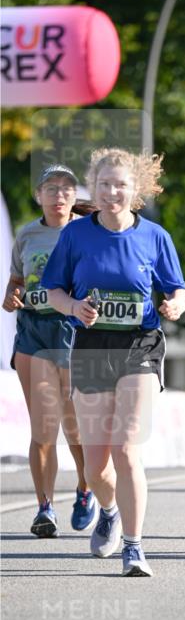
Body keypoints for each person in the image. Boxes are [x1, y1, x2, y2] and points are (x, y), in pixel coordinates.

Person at [42, 148, 185, 576]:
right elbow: (53, 291)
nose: (111, 192)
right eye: (103, 184)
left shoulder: (155, 237)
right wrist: (74, 308)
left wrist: (175, 305)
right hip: (91, 346)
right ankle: (109, 511)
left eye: (120, 184)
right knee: (95, 467)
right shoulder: (76, 235)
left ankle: (134, 547)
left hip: (140, 344)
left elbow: (178, 289)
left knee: (126, 449)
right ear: (93, 187)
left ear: (135, 189)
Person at [3, 164, 98, 538]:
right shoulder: (27, 234)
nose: (59, 195)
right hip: (33, 332)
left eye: (66, 189)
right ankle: (45, 509)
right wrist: (12, 296)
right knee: (42, 427)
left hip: (72, 331)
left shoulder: (87, 233)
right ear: (38, 195)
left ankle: (85, 488)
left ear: (75, 196)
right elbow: (16, 280)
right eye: (51, 188)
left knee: (74, 425)